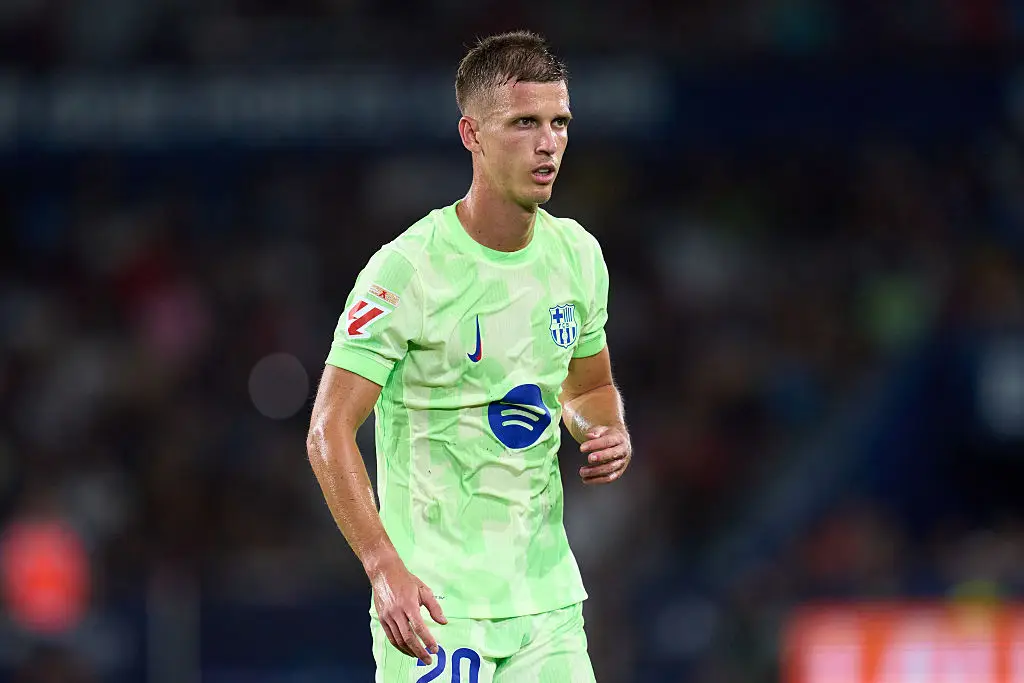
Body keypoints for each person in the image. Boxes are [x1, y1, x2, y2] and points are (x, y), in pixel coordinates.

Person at [307, 30, 631, 682]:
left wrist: (602, 426)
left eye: (559, 122)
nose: (549, 143)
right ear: (471, 134)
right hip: (436, 604)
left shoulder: (578, 258)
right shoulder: (407, 270)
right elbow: (328, 429)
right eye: (524, 123)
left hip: (546, 606)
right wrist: (381, 565)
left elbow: (589, 385)